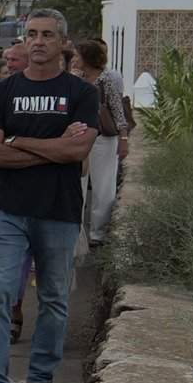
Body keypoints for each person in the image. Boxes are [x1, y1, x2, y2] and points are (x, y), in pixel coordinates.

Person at [0, 10, 99, 383]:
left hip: (58, 212)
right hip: (6, 211)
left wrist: (17, 142)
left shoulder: (81, 93)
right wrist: (50, 147)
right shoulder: (3, 93)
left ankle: (41, 382)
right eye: (31, 35)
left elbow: (77, 152)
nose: (38, 41)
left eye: (46, 35)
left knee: (55, 299)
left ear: (63, 42)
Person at [77, 39, 129, 246]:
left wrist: (123, 139)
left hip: (104, 139)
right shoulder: (77, 79)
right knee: (77, 185)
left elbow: (118, 110)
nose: (75, 59)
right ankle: (77, 232)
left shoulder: (107, 78)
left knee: (103, 185)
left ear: (87, 59)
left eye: (78, 55)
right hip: (80, 138)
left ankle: (98, 233)